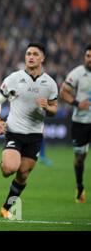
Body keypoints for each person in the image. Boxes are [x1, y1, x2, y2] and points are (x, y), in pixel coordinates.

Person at [0, 42, 58, 219]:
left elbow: (54, 109)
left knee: (23, 174)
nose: (31, 57)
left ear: (42, 58)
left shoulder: (50, 84)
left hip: (35, 136)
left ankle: (7, 207)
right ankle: (5, 163)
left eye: (35, 54)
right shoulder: (13, 78)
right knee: (9, 169)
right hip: (14, 132)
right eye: (28, 53)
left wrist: (47, 108)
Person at [59, 44, 91, 203]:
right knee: (80, 157)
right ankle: (79, 186)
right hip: (81, 122)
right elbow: (63, 92)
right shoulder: (77, 73)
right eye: (88, 56)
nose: (90, 59)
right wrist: (77, 103)